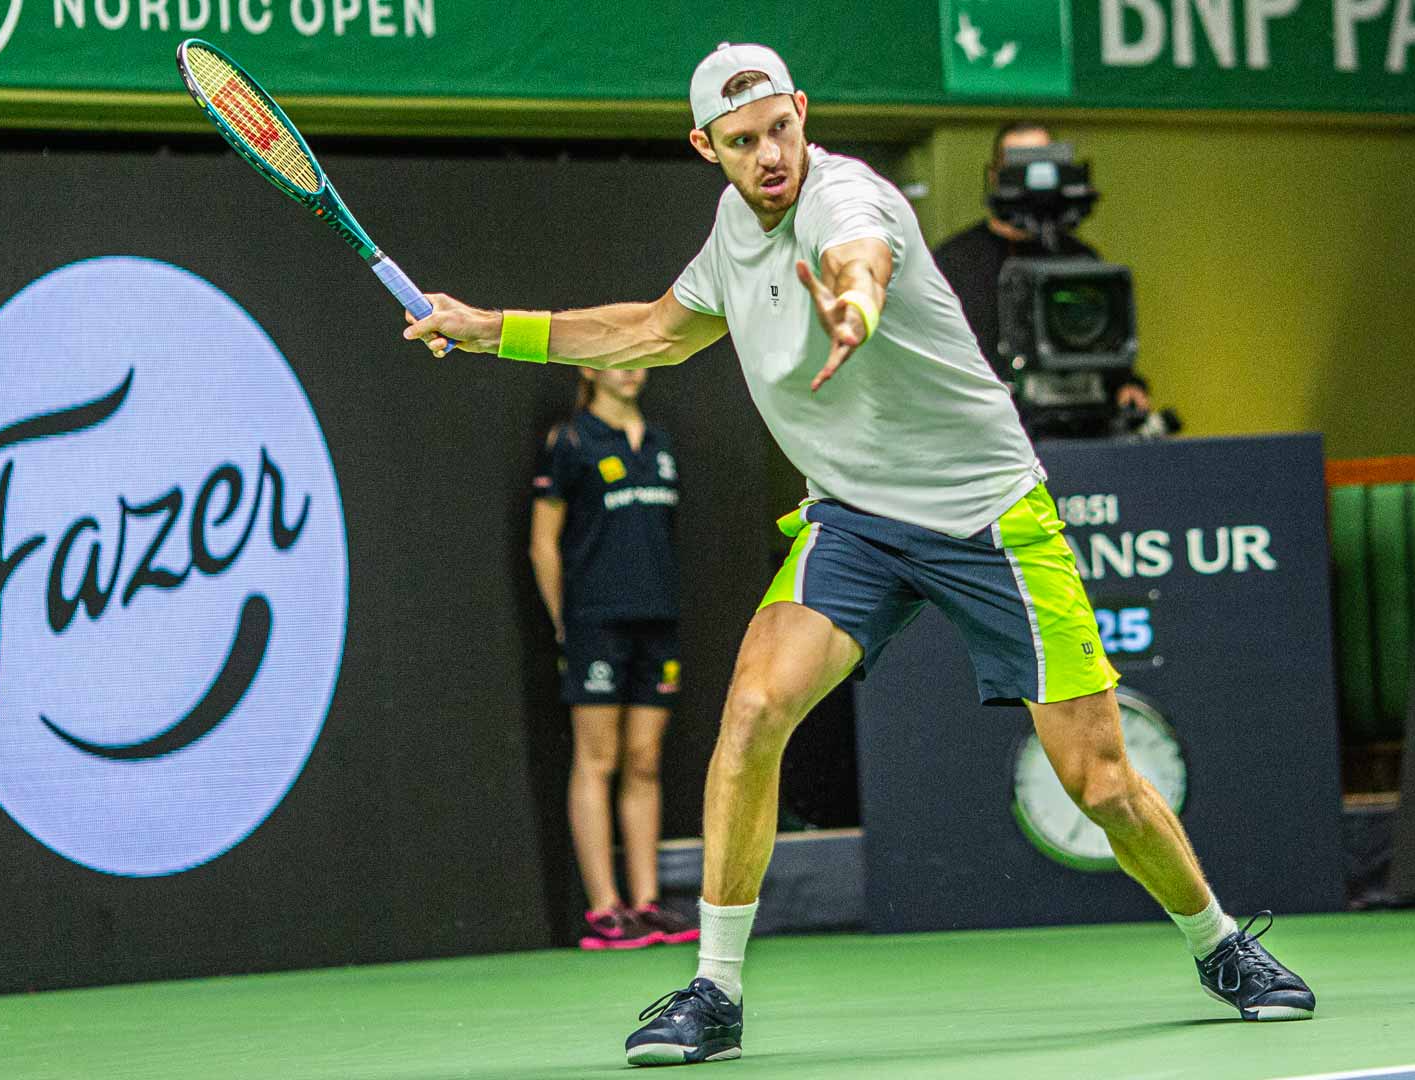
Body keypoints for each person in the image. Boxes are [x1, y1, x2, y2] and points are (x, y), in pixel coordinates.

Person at [405, 43, 1314, 1068]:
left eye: (780, 128)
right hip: (857, 521)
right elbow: (657, 333)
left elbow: (859, 258)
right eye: (742, 142)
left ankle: (1219, 943)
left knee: (1099, 781)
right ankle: (715, 989)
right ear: (707, 148)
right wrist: (492, 331)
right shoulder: (729, 235)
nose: (770, 155)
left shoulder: (849, 197)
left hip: (988, 516)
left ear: (801, 112)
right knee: (753, 709)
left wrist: (856, 303)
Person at [530, 367, 697, 951]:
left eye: (638, 355)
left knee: (644, 760)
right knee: (597, 759)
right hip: (595, 621)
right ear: (588, 366)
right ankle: (604, 908)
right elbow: (542, 541)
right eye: (616, 355)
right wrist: (563, 621)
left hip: (658, 620)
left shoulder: (660, 440)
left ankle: (645, 903)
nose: (630, 367)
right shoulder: (571, 440)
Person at [931, 120, 1150, 417]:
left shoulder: (1079, 259)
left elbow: (1105, 344)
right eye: (1019, 165)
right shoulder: (954, 261)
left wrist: (1127, 387)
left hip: (1078, 420)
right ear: (995, 175)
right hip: (986, 425)